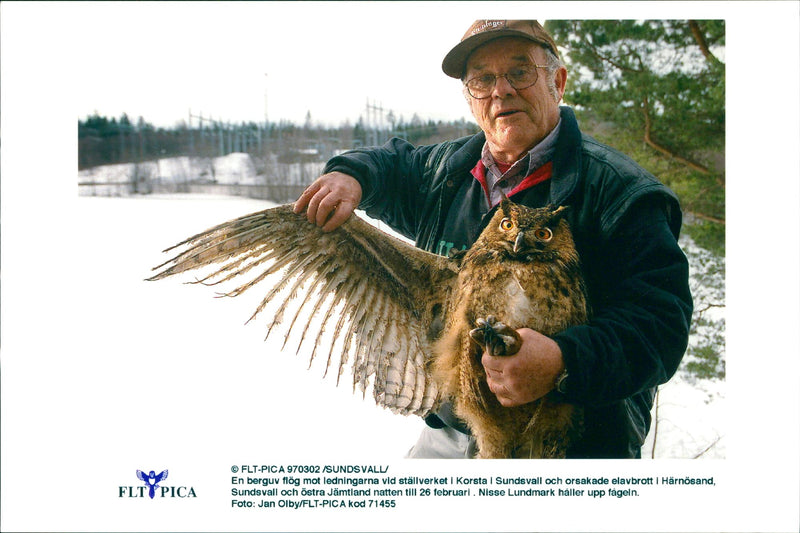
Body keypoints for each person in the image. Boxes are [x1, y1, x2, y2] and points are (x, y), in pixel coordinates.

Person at [292, 20, 692, 458]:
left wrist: (564, 361)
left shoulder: (619, 192)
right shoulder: (443, 173)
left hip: (571, 443)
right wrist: (350, 174)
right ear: (470, 98)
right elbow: (390, 160)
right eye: (482, 80)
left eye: (520, 73)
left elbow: (661, 325)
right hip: (449, 435)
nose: (501, 91)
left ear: (557, 82)